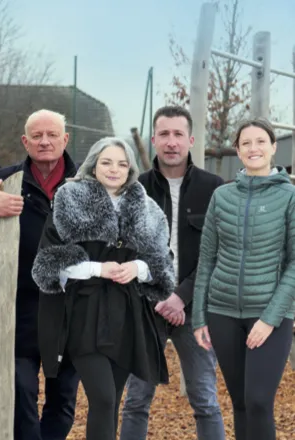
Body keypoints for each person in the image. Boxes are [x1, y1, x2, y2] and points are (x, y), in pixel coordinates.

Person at [32, 137, 175, 440]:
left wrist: (137, 268)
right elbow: (49, 261)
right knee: (103, 398)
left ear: (131, 169)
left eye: (122, 164)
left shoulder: (147, 208)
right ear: (93, 165)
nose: (114, 169)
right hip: (84, 312)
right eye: (107, 162)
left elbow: (163, 261)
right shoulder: (69, 198)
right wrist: (99, 268)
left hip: (127, 313)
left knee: (112, 403)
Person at [0, 109, 79, 440]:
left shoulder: (86, 182)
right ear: (25, 141)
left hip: (71, 312)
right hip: (20, 311)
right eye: (37, 136)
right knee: (21, 397)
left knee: (63, 401)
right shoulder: (7, 180)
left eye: (52, 135)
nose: (45, 142)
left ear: (65, 139)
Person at [120, 106, 226, 440]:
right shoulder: (135, 188)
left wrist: (181, 296)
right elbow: (125, 248)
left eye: (178, 134)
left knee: (205, 398)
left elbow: (220, 253)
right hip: (145, 308)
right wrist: (159, 294)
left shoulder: (214, 188)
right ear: (153, 140)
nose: (171, 142)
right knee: (136, 400)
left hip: (196, 311)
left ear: (191, 140)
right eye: (164, 134)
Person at [193, 119, 295, 440]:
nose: (254, 148)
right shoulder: (222, 196)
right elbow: (206, 259)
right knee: (239, 403)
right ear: (237, 150)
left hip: (270, 316)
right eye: (246, 143)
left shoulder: (290, 196)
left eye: (261, 141)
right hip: (222, 313)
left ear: (273, 147)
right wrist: (198, 317)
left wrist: (269, 319)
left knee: (259, 402)